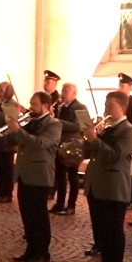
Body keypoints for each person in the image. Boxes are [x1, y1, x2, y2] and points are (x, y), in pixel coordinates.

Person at [82, 91, 132, 262]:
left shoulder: (128, 130)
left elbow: (116, 155)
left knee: (113, 231)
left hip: (114, 188)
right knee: (102, 231)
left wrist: (95, 140)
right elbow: (89, 152)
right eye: (105, 106)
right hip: (97, 185)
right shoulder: (105, 128)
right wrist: (89, 138)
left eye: (110, 106)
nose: (106, 110)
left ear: (121, 108)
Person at [6, 91, 62, 262]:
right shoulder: (31, 121)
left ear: (45, 106)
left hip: (40, 174)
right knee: (27, 214)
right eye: (30, 104)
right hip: (25, 172)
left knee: (39, 215)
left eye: (34, 104)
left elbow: (39, 144)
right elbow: (14, 142)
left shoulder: (53, 125)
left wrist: (18, 130)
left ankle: (42, 253)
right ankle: (30, 250)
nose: (30, 107)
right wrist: (11, 130)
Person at [51, 82, 86, 215]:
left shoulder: (81, 107)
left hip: (73, 147)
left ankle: (71, 205)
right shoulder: (61, 107)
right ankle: (59, 203)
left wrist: (59, 122)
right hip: (61, 146)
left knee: (73, 177)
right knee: (60, 176)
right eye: (62, 91)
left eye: (65, 91)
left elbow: (80, 126)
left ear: (74, 94)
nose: (62, 94)